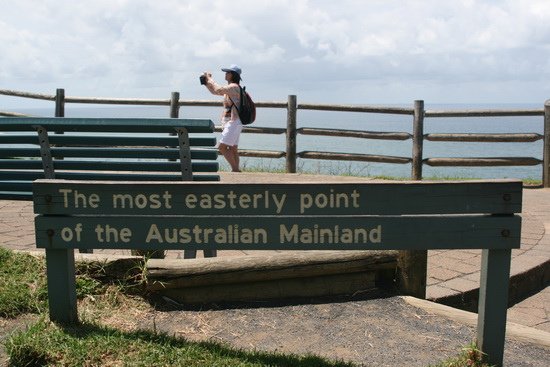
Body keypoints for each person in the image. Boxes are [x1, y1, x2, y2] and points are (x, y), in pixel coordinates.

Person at [202, 64, 244, 172]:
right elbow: (215, 91)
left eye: (228, 72)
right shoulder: (231, 88)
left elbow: (219, 89)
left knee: (222, 147)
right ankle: (236, 169)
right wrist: (206, 83)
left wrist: (210, 79)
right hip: (232, 121)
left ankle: (235, 170)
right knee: (233, 148)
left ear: (233, 75)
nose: (225, 74)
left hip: (234, 121)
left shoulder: (234, 87)